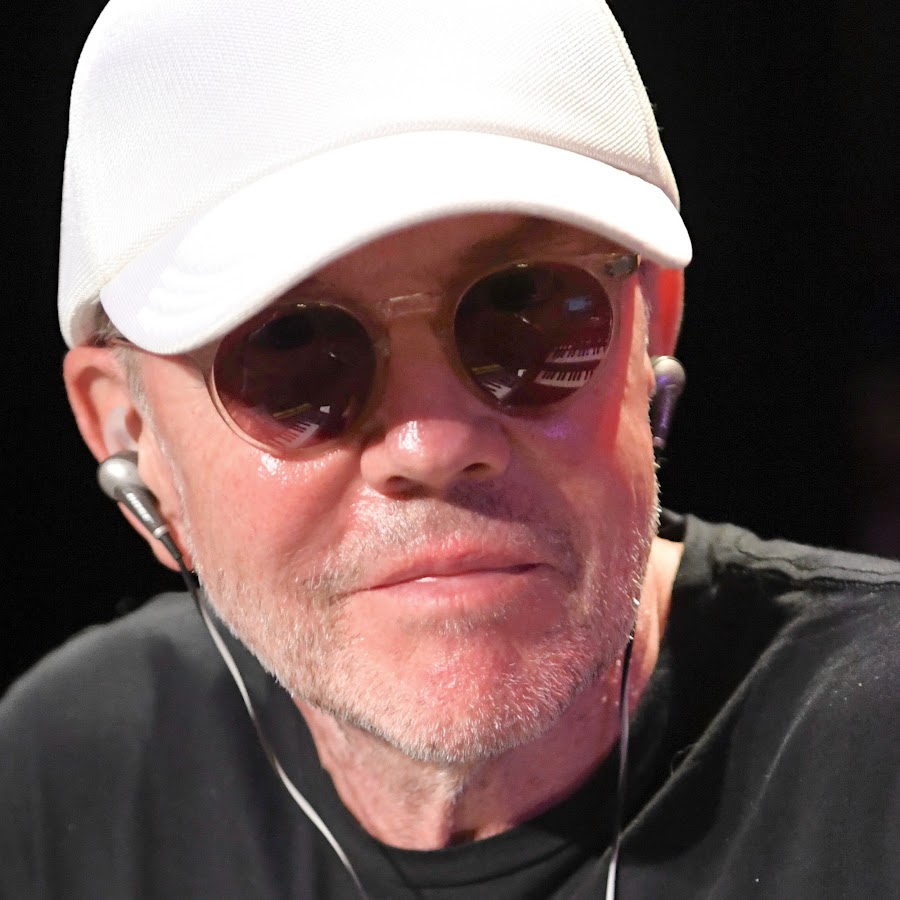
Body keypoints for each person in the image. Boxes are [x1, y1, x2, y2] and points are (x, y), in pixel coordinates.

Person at [1, 0, 897, 897]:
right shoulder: (70, 770)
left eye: (526, 308)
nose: (433, 444)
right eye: (292, 353)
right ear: (132, 435)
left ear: (648, 329)